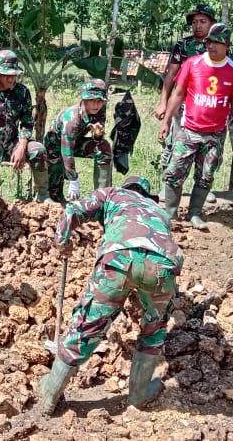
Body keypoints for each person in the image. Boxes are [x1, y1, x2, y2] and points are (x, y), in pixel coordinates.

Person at [37, 175, 183, 413]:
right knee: (153, 330)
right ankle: (138, 395)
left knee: (87, 325)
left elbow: (73, 210)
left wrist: (62, 242)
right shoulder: (159, 211)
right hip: (163, 266)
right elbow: (154, 250)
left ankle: (49, 394)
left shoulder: (112, 193)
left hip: (117, 260)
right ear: (147, 195)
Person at [158, 23, 233, 229]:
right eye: (209, 42)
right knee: (174, 172)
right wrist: (166, 120)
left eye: (217, 42)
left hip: (215, 134)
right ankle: (170, 214)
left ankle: (194, 214)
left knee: (206, 175)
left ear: (227, 46)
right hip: (188, 130)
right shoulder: (192, 63)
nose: (212, 46)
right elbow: (178, 94)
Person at [152, 4, 220, 202]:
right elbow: (171, 74)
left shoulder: (218, 46)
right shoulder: (183, 46)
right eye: (194, 22)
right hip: (183, 104)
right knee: (175, 143)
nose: (197, 26)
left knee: (208, 149)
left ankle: (202, 188)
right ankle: (169, 187)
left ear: (212, 24)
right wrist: (163, 102)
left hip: (209, 106)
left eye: (202, 21)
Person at [0, 50, 50, 201]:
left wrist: (22, 145)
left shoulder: (22, 92)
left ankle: (43, 196)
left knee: (38, 150)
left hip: (14, 143)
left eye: (14, 74)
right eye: (7, 74)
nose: (11, 78)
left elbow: (27, 122)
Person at [44, 78, 112, 203]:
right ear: (84, 99)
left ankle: (102, 197)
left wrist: (98, 134)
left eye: (100, 101)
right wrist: (73, 179)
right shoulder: (72, 118)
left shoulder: (100, 110)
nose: (96, 105)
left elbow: (97, 137)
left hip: (77, 141)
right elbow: (66, 150)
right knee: (55, 196)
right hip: (55, 146)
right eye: (92, 100)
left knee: (103, 147)